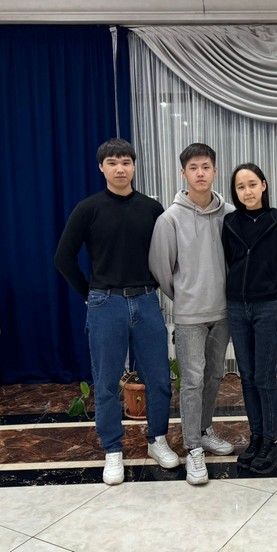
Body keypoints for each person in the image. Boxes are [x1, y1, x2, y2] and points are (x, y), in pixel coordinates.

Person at [54, 137, 179, 486]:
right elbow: (63, 258)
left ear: (134, 166)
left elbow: (166, 254)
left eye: (126, 162)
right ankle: (112, 449)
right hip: (105, 303)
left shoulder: (152, 209)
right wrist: (89, 294)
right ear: (101, 168)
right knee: (107, 382)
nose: (120, 168)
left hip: (146, 300)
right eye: (112, 163)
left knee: (158, 378)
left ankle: (157, 439)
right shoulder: (88, 208)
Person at [149, 142, 235, 485]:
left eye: (206, 167)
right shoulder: (169, 219)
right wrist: (186, 297)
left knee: (214, 376)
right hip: (189, 316)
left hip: (223, 312)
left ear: (215, 171)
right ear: (183, 173)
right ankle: (193, 448)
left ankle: (204, 429)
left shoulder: (230, 214)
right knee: (192, 381)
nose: (200, 173)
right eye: (193, 168)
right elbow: (161, 269)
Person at [222, 163, 277, 474]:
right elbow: (230, 260)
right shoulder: (229, 223)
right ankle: (256, 437)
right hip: (237, 308)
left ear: (263, 185)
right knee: (247, 376)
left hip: (268, 308)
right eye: (240, 187)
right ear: (235, 192)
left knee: (264, 377)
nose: (247, 191)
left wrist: (271, 290)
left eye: (252, 184)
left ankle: (271, 441)